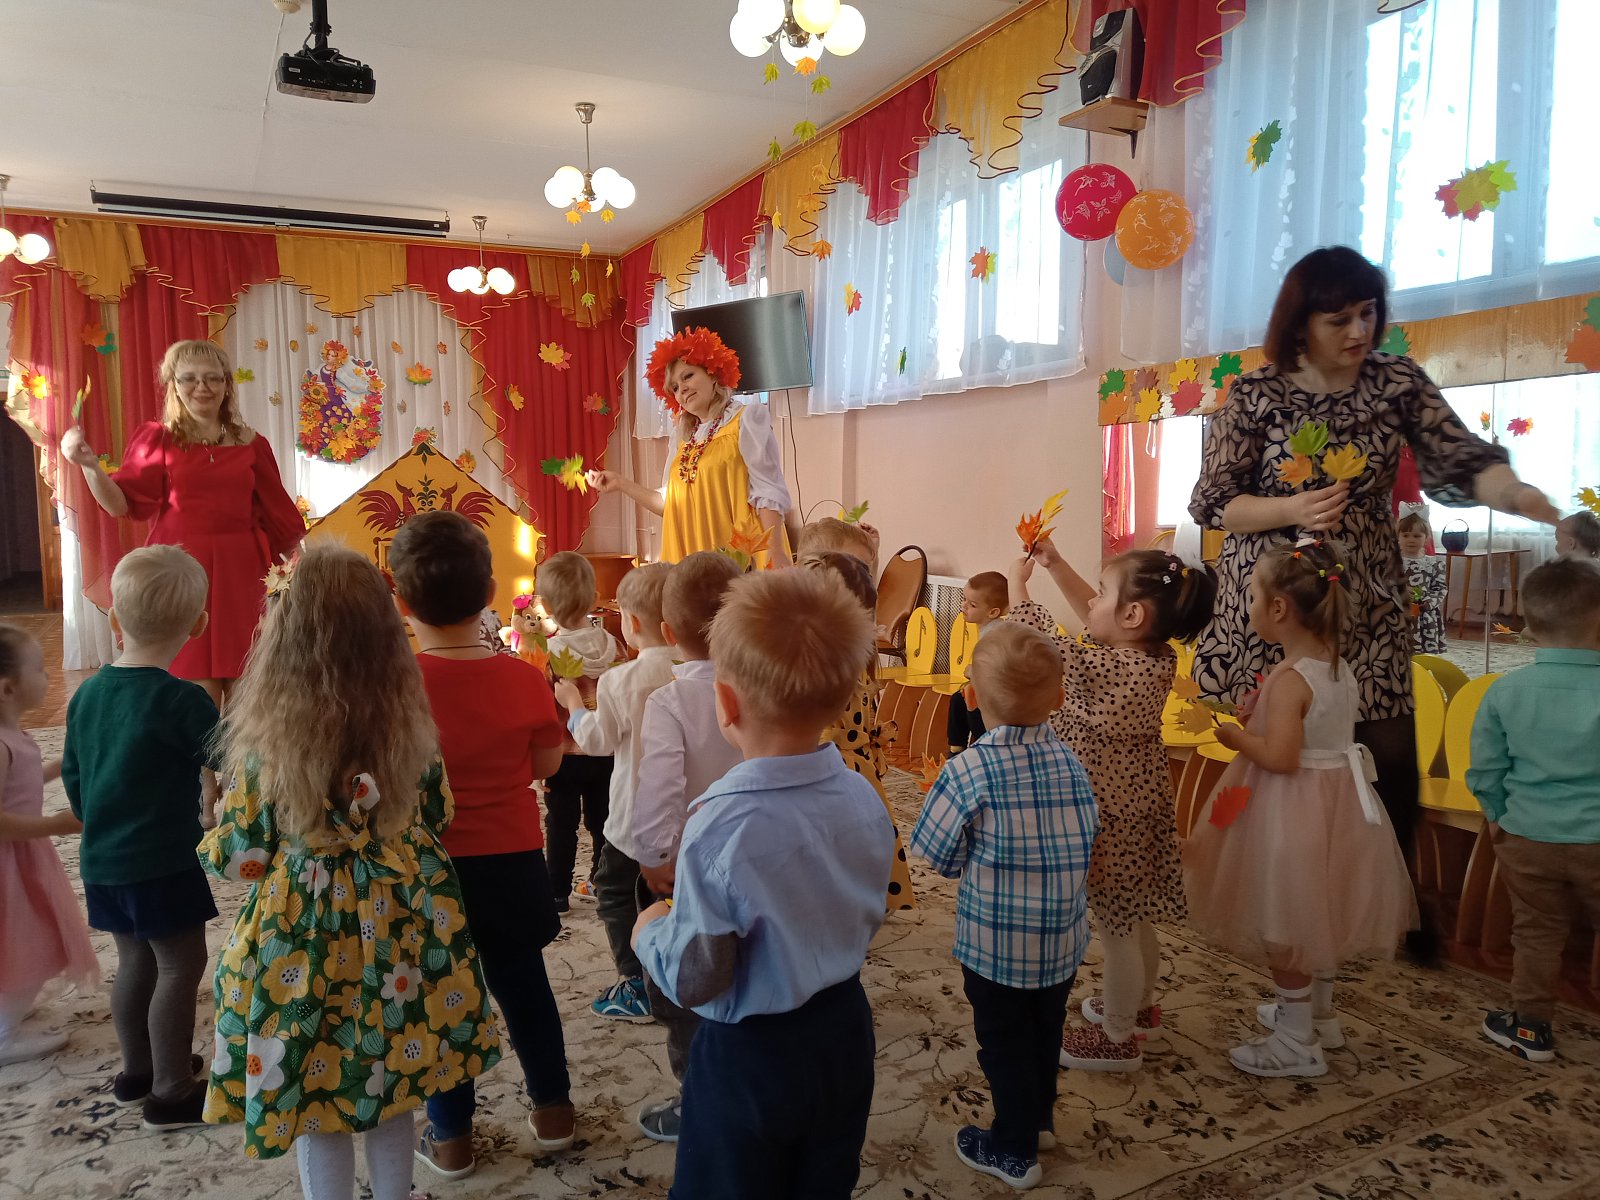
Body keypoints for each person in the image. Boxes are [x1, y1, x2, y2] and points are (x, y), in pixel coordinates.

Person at [1188, 247, 1559, 950]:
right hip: (1276, 599)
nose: (1360, 331)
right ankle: (1276, 903)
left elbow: (1462, 460)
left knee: (1387, 751)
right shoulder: (1256, 393)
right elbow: (1214, 502)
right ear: (1301, 324)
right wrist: (1291, 508)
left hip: (1365, 596)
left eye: (1368, 314)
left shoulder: (1396, 381)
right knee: (1278, 754)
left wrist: (1524, 500)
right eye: (1340, 320)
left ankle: (1390, 905)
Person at [200, 543, 500, 1196]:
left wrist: (213, 829)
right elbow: (440, 812)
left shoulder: (263, 748)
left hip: (302, 942)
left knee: (317, 1097)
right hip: (401, 926)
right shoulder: (410, 731)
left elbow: (244, 857)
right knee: (392, 1086)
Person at [632, 569, 893, 1200]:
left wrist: (650, 932)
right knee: (825, 1177)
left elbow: (700, 975)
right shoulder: (865, 797)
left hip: (752, 1055)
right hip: (845, 1030)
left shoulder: (720, 826)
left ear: (725, 703)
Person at [386, 512, 575, 1178]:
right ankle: (554, 1111)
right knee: (526, 987)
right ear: (491, 592)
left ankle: (451, 1138)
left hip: (429, 872)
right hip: (514, 862)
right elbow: (547, 766)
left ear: (401, 600)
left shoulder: (395, 686)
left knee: (442, 1001)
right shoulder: (523, 678)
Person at [1185, 537, 1417, 1078]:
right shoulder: (1336, 668)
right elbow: (1313, 735)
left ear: (1279, 608)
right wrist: (1259, 718)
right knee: (1318, 913)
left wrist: (1235, 736)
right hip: (1337, 804)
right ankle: (1319, 1015)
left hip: (1290, 810)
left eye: (1251, 597)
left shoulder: (1290, 679)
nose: (1248, 607)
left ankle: (1294, 1041)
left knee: (1285, 922)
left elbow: (1282, 758)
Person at [1007, 539, 1214, 1071]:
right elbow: (1097, 620)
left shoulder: (1105, 667)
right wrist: (1056, 564)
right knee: (1133, 915)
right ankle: (1139, 1008)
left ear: (1132, 615)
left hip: (1107, 818)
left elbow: (1039, 645)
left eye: (1102, 593)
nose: (1092, 602)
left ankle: (1118, 1037)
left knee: (1116, 926)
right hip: (1138, 810)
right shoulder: (1152, 656)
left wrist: (1019, 587)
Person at [910, 622, 1098, 1192]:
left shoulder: (968, 769)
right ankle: (1038, 1121)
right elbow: (1089, 833)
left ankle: (1014, 1149)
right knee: (1045, 1031)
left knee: (1004, 1044)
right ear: (1059, 699)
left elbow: (934, 851)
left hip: (995, 947)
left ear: (971, 697)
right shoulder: (1071, 762)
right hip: (1061, 941)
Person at [62, 545, 219, 1127]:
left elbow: (75, 776)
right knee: (180, 964)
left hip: (103, 860)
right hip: (163, 863)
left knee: (133, 960)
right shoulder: (181, 699)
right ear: (198, 624)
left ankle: (138, 1070)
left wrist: (97, 819)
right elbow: (232, 756)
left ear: (114, 620)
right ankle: (172, 1090)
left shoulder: (86, 694)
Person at [59, 339, 304, 704]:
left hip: (242, 572)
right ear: (173, 385)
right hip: (180, 571)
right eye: (189, 378)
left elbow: (279, 516)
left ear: (226, 384)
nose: (201, 387)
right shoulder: (156, 438)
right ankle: (195, 745)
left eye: (212, 378)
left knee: (250, 686)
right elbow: (120, 504)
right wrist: (90, 467)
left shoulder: (253, 443)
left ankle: (241, 745)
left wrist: (302, 571)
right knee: (193, 688)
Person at [1465, 557, 1600, 1063]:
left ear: (1527, 624)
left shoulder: (1505, 690)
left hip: (1526, 836)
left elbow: (1486, 769)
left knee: (1537, 932)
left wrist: (1498, 816)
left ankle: (1530, 1028)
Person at [630, 551, 744, 1143]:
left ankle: (698, 1100)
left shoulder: (669, 702)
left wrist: (654, 855)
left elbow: (660, 786)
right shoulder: (759, 688)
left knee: (688, 980)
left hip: (693, 869)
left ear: (668, 632)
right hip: (755, 856)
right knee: (747, 969)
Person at [554, 563, 676, 1025]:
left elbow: (596, 741)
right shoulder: (698, 670)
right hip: (688, 817)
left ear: (633, 622)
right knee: (676, 894)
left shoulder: (621, 680)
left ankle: (637, 983)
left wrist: (573, 706)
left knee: (614, 890)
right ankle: (681, 971)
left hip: (634, 817)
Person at [591, 327, 793, 567]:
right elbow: (669, 504)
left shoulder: (747, 419)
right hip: (690, 562)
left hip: (740, 559)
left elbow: (768, 492)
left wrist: (775, 552)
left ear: (713, 374)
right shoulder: (682, 438)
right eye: (674, 388)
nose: (682, 389)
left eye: (687, 376)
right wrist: (621, 483)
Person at [0, 625, 98, 1066]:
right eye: (40, 669)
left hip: (22, 856)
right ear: (8, 688)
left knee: (28, 938)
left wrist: (61, 763)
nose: (48, 676)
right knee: (25, 938)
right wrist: (56, 825)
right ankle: (3, 1033)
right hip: (10, 863)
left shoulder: (13, 737)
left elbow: (21, 782)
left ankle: (9, 1009)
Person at [801, 550, 916, 910]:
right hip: (860, 772)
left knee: (830, 847)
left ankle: (841, 903)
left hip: (829, 770)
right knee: (859, 841)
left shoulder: (823, 661)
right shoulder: (859, 650)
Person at [538, 551, 620, 912]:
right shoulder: (614, 646)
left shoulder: (549, 653)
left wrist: (539, 761)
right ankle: (603, 884)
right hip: (606, 749)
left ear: (546, 606)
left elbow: (543, 711)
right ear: (594, 599)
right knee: (603, 822)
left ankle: (557, 892)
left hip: (564, 754)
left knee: (561, 824)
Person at [947, 570, 1010, 755]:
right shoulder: (988, 629)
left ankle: (980, 749)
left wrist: (972, 671)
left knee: (968, 702)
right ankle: (957, 750)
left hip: (996, 699)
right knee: (959, 699)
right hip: (985, 692)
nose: (964, 606)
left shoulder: (995, 634)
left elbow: (995, 670)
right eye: (964, 599)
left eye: (972, 604)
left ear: (993, 612)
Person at [1398, 511, 1446, 654]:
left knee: (1424, 654)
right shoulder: (1393, 563)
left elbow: (1440, 588)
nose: (1411, 540)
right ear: (1398, 537)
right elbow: (1386, 584)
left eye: (1417, 536)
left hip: (1425, 616)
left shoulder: (1433, 564)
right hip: (1400, 613)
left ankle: (1423, 665)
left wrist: (1428, 603)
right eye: (1406, 535)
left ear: (1426, 538)